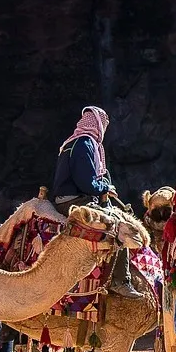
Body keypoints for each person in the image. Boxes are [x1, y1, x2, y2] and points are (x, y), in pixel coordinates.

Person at [53, 106, 140, 298]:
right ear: (99, 125)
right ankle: (120, 281)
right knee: (118, 227)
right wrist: (104, 188)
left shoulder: (72, 143)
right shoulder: (84, 144)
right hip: (74, 201)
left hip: (67, 197)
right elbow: (87, 182)